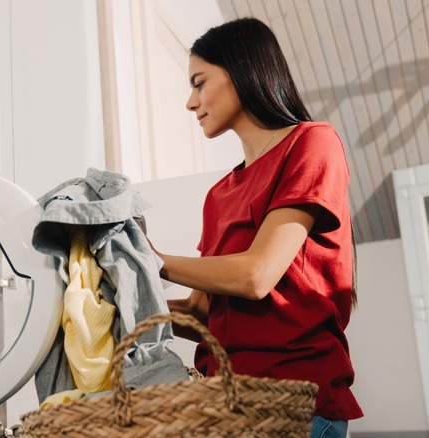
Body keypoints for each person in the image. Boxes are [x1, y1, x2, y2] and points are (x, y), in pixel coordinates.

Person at [149, 17, 363, 437]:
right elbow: (199, 311)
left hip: (294, 407)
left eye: (199, 82)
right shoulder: (219, 194)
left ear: (241, 69)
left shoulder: (312, 143)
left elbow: (257, 274)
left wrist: (152, 261)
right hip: (226, 408)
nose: (190, 103)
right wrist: (116, 301)